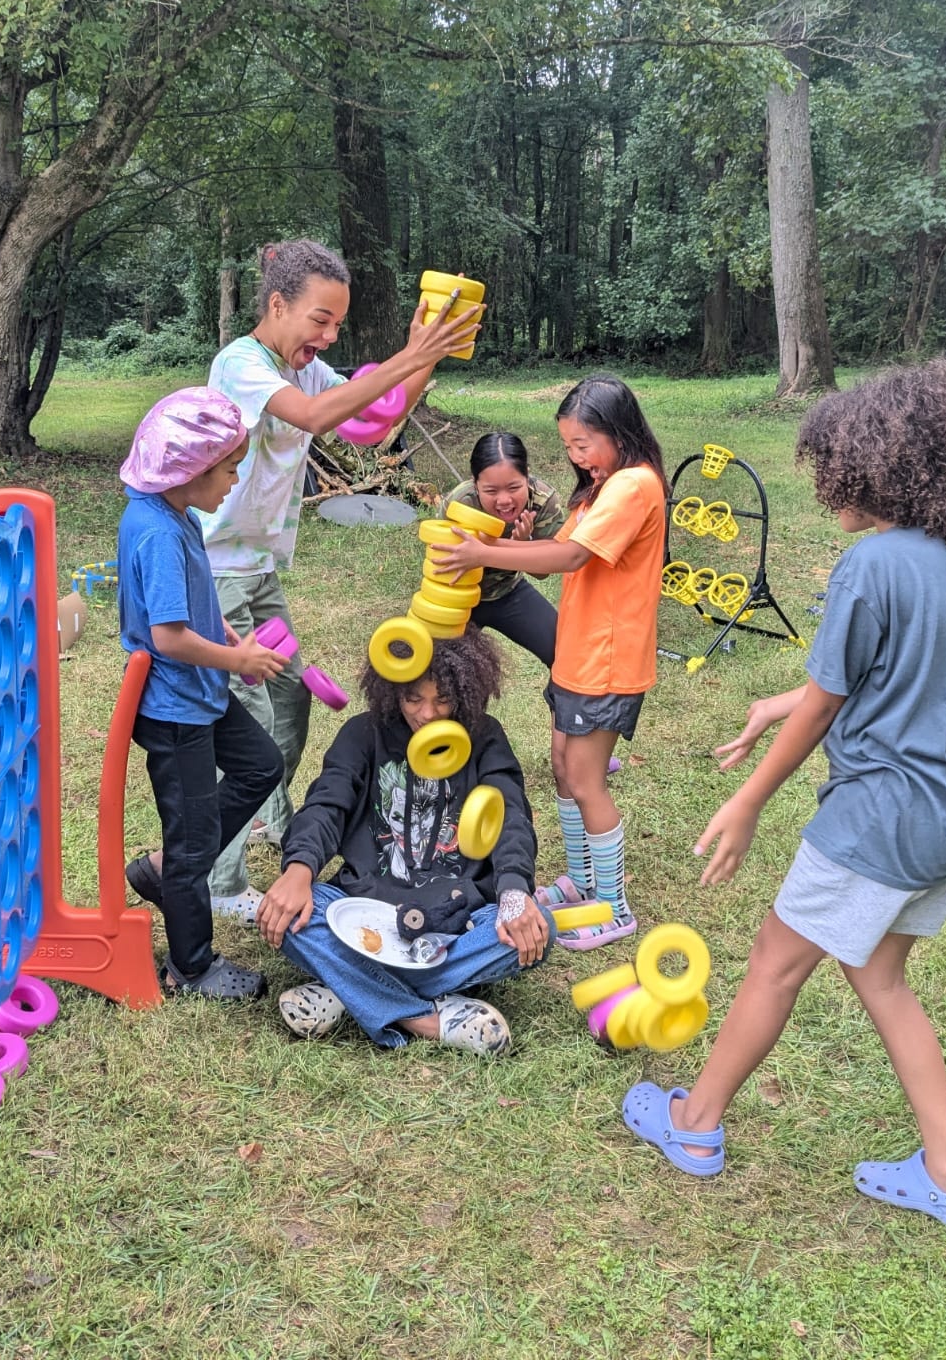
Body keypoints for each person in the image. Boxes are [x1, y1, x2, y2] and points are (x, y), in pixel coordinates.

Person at [623, 358, 946, 1236]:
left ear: (878, 464)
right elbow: (910, 678)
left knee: (776, 961)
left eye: (833, 464)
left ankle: (694, 1123)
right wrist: (778, 702)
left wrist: (752, 797)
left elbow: (835, 699)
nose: (824, 482)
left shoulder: (869, 565)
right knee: (881, 976)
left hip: (886, 815)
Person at [199, 239, 482, 922]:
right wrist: (410, 357)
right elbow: (317, 417)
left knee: (291, 703)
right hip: (215, 573)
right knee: (250, 719)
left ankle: (261, 813)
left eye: (336, 326)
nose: (327, 337)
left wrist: (426, 356)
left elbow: (368, 427)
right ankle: (218, 880)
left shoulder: (307, 366)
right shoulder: (241, 365)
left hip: (257, 569)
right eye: (318, 321)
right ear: (276, 304)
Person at [436, 375, 668, 951]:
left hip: (608, 658)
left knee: (587, 780)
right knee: (564, 766)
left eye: (583, 445)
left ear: (617, 433)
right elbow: (548, 563)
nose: (576, 457)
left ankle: (613, 907)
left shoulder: (634, 487)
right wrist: (515, 541)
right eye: (568, 447)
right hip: (581, 653)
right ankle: (582, 882)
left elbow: (568, 554)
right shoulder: (600, 488)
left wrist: (484, 551)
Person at [255, 628, 555, 1055]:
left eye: (443, 699)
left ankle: (348, 988)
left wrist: (512, 892)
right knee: (287, 917)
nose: (427, 714)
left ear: (466, 693)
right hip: (365, 914)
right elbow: (327, 804)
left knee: (541, 927)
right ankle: (428, 1019)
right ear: (391, 689)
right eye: (413, 698)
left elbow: (511, 816)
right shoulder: (363, 733)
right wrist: (298, 870)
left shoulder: (485, 736)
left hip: (457, 921)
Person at [117, 387, 291, 1000]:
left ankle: (163, 872)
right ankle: (190, 967)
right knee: (193, 843)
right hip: (173, 710)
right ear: (188, 469)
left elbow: (193, 604)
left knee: (261, 766)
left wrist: (228, 637)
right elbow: (167, 637)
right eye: (228, 468)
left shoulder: (179, 515)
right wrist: (234, 657)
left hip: (201, 693)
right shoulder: (157, 532)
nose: (235, 480)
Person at [443, 432, 566, 667]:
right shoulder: (460, 504)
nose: (504, 500)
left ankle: (562, 704)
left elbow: (544, 571)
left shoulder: (542, 501)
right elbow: (443, 565)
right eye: (490, 491)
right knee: (442, 671)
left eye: (513, 487)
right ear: (475, 483)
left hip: (509, 591)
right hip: (458, 595)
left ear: (527, 475)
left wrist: (524, 545)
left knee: (565, 655)